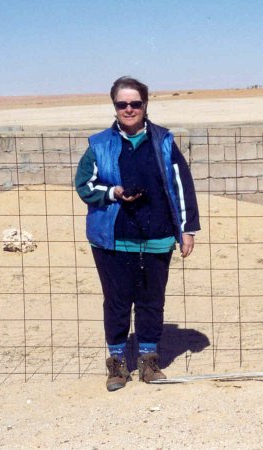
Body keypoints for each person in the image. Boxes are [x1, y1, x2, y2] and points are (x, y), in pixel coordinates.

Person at [75, 76, 200, 391]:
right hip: (113, 239)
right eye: (122, 104)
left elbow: (181, 188)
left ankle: (148, 361)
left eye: (135, 103)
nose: (129, 109)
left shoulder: (163, 141)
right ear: (114, 106)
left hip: (157, 236)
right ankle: (117, 365)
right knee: (116, 302)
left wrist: (187, 230)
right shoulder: (99, 144)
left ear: (145, 105)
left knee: (151, 300)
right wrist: (115, 192)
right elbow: (84, 185)